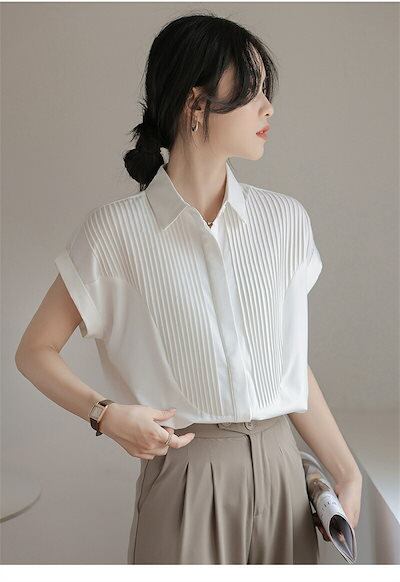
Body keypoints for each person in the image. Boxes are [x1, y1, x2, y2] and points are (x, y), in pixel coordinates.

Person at [15, 11, 362, 565]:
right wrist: (105, 414)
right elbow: (34, 351)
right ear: (195, 104)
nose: (268, 107)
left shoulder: (286, 222)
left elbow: (287, 364)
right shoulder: (115, 233)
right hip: (186, 479)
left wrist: (345, 471)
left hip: (283, 472)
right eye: (251, 90)